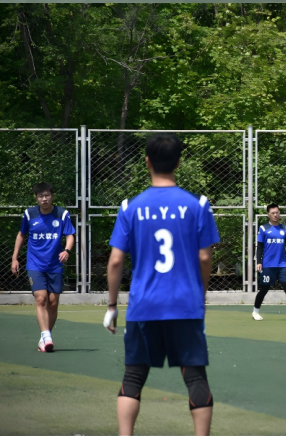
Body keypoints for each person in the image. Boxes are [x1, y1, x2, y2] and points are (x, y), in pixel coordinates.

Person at [103, 133, 221, 436]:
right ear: (178, 163)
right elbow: (205, 257)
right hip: (185, 303)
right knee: (195, 377)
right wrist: (200, 295)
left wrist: (112, 305)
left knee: (133, 377)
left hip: (144, 305)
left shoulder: (130, 207)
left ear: (147, 162)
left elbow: (115, 261)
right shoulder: (198, 205)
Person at [10, 182, 75, 352]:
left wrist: (67, 250)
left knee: (53, 303)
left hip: (55, 265)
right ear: (36, 198)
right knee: (41, 299)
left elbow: (70, 235)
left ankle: (44, 338)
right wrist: (14, 258)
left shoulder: (62, 214)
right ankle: (47, 337)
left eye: (47, 195)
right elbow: (21, 235)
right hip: (35, 264)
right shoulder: (29, 214)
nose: (44, 199)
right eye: (41, 196)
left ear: (52, 196)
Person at [253, 203, 286, 320]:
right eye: (273, 213)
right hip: (268, 265)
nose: (275, 215)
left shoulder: (284, 228)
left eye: (277, 212)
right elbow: (259, 247)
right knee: (264, 289)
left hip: (282, 265)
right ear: (268, 215)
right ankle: (255, 312)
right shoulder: (263, 228)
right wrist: (259, 262)